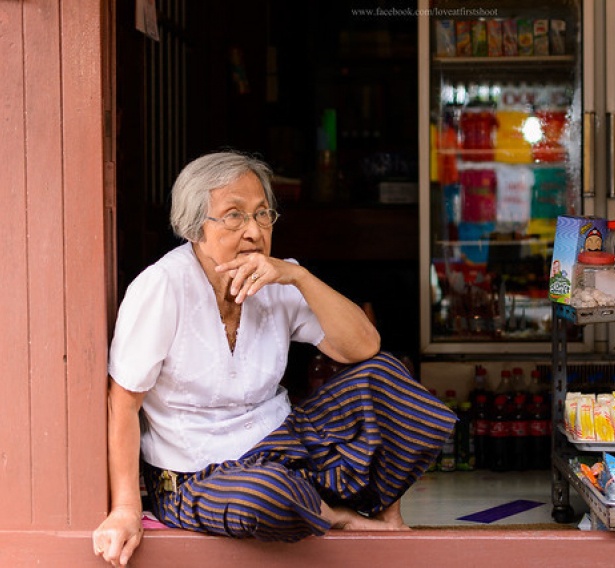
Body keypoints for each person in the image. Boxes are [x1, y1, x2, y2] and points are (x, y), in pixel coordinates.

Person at [92, 151, 455, 566]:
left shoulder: (277, 277)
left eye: (263, 214)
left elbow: (363, 347)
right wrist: (125, 508)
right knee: (266, 493)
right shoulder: (162, 287)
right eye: (234, 216)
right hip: (194, 476)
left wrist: (298, 276)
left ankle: (364, 505)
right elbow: (122, 401)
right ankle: (336, 516)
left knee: (386, 375)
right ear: (196, 228)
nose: (252, 231)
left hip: (281, 447)